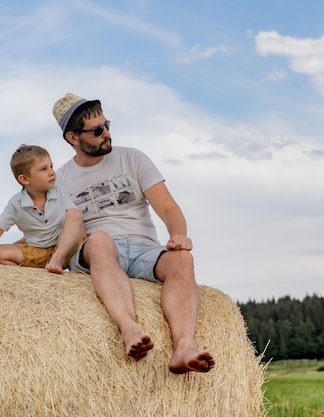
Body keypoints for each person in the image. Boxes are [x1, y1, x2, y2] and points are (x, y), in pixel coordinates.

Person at [51, 92, 215, 374]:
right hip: (98, 251)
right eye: (98, 130)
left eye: (107, 125)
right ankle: (130, 330)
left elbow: (168, 208)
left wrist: (178, 235)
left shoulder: (133, 158)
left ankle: (184, 347)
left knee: (182, 261)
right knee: (100, 239)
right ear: (73, 138)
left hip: (143, 248)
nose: (107, 134)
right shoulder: (63, 179)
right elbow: (46, 230)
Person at [0, 145, 84, 274]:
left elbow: (76, 222)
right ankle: (33, 275)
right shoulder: (16, 204)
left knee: (75, 213)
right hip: (37, 253)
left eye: (51, 166)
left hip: (65, 249)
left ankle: (57, 259)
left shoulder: (58, 190)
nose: (51, 172)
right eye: (44, 169)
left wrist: (83, 239)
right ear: (24, 179)